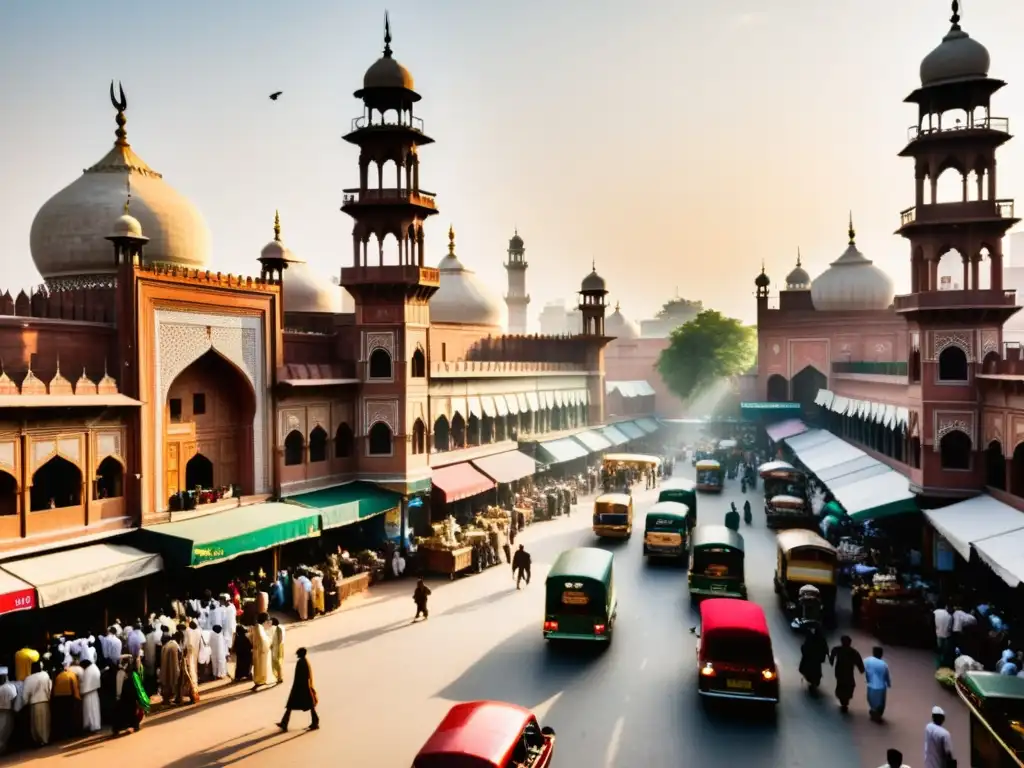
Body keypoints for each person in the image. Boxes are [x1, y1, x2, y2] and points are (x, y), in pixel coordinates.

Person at [276, 648, 318, 732]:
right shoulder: (306, 661)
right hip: (306, 687)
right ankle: (315, 722)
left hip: (300, 688)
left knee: (290, 706)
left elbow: (298, 677)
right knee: (310, 706)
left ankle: (284, 723)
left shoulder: (301, 662)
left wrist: (295, 688)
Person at [112, 656, 150, 735]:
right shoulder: (126, 673)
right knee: (126, 711)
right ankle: (128, 726)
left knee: (126, 711)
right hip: (126, 697)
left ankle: (128, 726)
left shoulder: (126, 673)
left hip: (127, 697)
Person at [829, 635, 865, 711]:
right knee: (849, 685)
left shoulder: (838, 649)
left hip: (840, 672)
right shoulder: (853, 652)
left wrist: (831, 661)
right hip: (847, 673)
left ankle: (842, 699)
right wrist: (861, 670)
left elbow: (832, 656)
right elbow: (859, 663)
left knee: (842, 684)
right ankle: (844, 699)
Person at [22, 661, 52, 747]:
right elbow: (49, 687)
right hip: (44, 701)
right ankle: (45, 740)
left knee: (35, 724)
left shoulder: (28, 679)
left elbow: (25, 694)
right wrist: (49, 697)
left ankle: (37, 740)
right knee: (45, 722)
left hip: (34, 703)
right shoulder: (45, 675)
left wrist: (25, 702)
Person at [51, 659, 81, 739]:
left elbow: (54, 689)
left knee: (62, 717)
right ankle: (72, 733)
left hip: (59, 699)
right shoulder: (71, 675)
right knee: (71, 716)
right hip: (69, 698)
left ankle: (63, 734)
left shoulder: (58, 676)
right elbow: (75, 687)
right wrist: (78, 698)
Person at [863, 646, 892, 722]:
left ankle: (873, 711)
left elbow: (865, 670)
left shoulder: (867, 660)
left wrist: (867, 679)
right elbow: (886, 676)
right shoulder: (883, 664)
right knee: (881, 704)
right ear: (881, 654)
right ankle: (877, 715)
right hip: (881, 687)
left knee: (871, 700)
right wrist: (889, 684)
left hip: (870, 685)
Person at [799, 625, 829, 690]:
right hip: (816, 658)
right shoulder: (821, 639)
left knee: (810, 668)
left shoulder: (811, 638)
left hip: (812, 657)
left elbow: (805, 647)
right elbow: (825, 648)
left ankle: (813, 679)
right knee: (815, 669)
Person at [175, 631, 199, 705]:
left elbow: (185, 657)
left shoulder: (186, 646)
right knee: (187, 683)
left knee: (187, 683)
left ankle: (191, 698)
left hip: (186, 667)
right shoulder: (188, 645)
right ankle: (181, 698)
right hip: (188, 666)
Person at [79, 659, 102, 733]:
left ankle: (91, 726)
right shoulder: (94, 668)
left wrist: (80, 689)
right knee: (95, 711)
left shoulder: (88, 671)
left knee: (89, 711)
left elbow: (85, 684)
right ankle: (96, 725)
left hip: (88, 694)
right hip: (94, 693)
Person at [250, 615, 272, 690]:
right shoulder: (259, 628)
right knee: (261, 667)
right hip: (261, 651)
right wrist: (269, 643)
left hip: (259, 651)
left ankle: (259, 681)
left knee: (259, 667)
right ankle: (260, 681)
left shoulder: (258, 627)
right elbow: (263, 640)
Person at [0, 667, 19, 754]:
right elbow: (14, 699)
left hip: (3, 711)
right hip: (8, 712)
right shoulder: (10, 687)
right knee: (6, 731)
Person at [159, 630, 181, 703]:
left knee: (166, 682)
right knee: (176, 682)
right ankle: (177, 698)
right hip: (174, 668)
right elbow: (179, 655)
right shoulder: (174, 645)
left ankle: (166, 699)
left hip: (165, 669)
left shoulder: (164, 647)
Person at [933, 603, 953, 668]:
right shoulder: (950, 616)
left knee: (939, 648)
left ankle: (938, 663)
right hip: (946, 635)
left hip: (938, 633)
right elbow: (950, 627)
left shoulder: (936, 611)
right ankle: (943, 662)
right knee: (944, 650)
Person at [271, 618, 286, 684]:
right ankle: (280, 676)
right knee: (279, 661)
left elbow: (278, 640)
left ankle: (279, 677)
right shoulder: (281, 627)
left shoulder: (277, 629)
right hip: (281, 646)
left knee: (276, 662)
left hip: (277, 646)